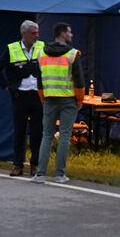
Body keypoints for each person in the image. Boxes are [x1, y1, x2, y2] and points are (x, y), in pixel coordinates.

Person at [32, 21, 85, 185]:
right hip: (68, 100)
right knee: (64, 137)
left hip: (49, 99)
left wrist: (44, 99)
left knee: (46, 136)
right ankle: (59, 174)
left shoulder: (41, 54)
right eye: (69, 32)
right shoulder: (72, 54)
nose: (71, 35)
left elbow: (39, 82)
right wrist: (79, 101)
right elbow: (79, 82)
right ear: (63, 34)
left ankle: (40, 174)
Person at [0, 20, 45, 177]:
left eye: (37, 32)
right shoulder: (12, 49)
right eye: (33, 33)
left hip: (38, 95)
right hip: (20, 95)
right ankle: (18, 165)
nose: (37, 36)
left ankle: (35, 165)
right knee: (19, 132)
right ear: (24, 34)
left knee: (37, 132)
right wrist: (7, 87)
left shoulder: (42, 47)